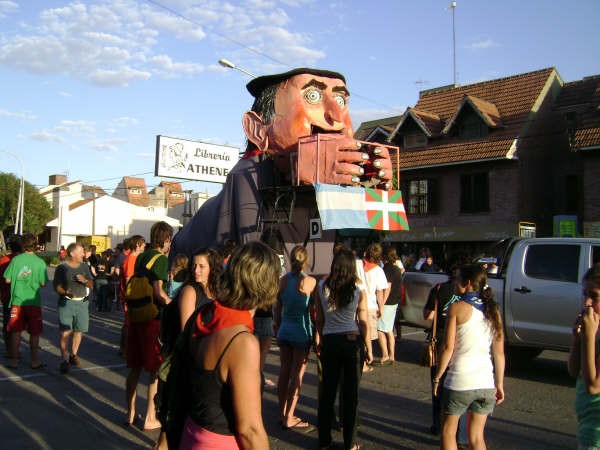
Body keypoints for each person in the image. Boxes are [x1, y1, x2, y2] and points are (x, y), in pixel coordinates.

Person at [170, 68, 392, 275]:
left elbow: (322, 256)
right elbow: (251, 259)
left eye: (341, 100)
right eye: (312, 96)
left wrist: (371, 182)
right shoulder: (247, 173)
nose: (336, 115)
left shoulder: (323, 188)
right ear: (257, 129)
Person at [179, 241, 279, 449]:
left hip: (191, 433)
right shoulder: (242, 342)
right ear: (267, 284)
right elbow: (250, 430)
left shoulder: (204, 315)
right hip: (220, 442)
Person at [433, 264, 505, 450]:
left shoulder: (457, 308)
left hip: (460, 380)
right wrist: (499, 383)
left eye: (458, 279)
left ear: (467, 283)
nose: (455, 283)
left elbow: (448, 347)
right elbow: (499, 352)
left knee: (448, 432)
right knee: (477, 437)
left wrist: (438, 376)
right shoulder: (493, 310)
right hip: (485, 381)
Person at [315, 246, 372, 450]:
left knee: (327, 393)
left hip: (330, 342)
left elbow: (319, 320)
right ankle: (350, 443)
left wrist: (318, 342)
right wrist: (369, 348)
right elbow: (364, 320)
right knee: (350, 396)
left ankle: (324, 441)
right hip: (351, 342)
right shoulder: (358, 288)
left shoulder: (321, 285)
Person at [125, 222, 173, 430]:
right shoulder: (161, 259)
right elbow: (158, 292)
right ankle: (150, 417)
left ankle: (130, 412)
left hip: (135, 315)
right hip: (151, 317)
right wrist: (173, 304)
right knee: (153, 370)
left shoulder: (141, 256)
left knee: (134, 367)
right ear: (167, 239)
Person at [422, 258, 468, 445]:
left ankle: (437, 424)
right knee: (458, 385)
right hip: (461, 339)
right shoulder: (467, 292)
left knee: (437, 383)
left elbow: (428, 315)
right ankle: (458, 428)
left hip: (440, 338)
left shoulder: (439, 289)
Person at [274, 245, 316, 429]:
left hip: (284, 329)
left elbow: (277, 308)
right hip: (301, 331)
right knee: (297, 375)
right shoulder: (310, 282)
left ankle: (282, 412)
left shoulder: (282, 281)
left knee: (284, 372)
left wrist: (278, 325)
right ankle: (290, 416)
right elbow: (315, 310)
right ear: (306, 261)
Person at [3, 233, 47, 369]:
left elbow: (7, 279)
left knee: (16, 331)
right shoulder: (40, 262)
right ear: (35, 245)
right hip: (33, 301)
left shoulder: (16, 260)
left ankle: (14, 361)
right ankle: (34, 361)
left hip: (17, 300)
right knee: (34, 333)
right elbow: (43, 283)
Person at [568, 264, 600, 449]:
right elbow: (573, 371)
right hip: (587, 428)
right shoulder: (594, 327)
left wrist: (588, 338)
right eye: (585, 294)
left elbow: (594, 386)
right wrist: (577, 341)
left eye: (594, 296)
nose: (587, 302)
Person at [53, 242, 94, 374]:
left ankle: (74, 354)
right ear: (72, 254)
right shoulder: (62, 268)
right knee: (65, 332)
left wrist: (85, 281)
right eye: (81, 251)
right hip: (67, 302)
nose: (84, 254)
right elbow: (57, 287)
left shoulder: (84, 266)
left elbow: (92, 284)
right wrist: (65, 292)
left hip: (82, 303)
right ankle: (65, 360)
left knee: (79, 330)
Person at [178, 248, 221, 330]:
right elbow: (186, 331)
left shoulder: (217, 289)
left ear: (212, 268)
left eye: (201, 266)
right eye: (194, 265)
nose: (196, 270)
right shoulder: (189, 291)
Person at [361, 242, 388, 371]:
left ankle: (359, 361)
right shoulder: (378, 270)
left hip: (356, 304)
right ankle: (364, 363)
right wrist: (381, 308)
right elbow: (380, 292)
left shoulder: (359, 265)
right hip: (370, 306)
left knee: (357, 335)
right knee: (367, 336)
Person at [375, 246, 402, 366]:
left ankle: (385, 354)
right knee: (389, 330)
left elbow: (387, 287)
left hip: (388, 302)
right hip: (395, 301)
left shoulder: (387, 269)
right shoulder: (397, 268)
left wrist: (381, 304)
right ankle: (392, 355)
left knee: (380, 329)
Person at [0, 235, 23, 357]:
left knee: (8, 325)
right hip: (24, 297)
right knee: (20, 325)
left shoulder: (4, 260)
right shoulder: (26, 260)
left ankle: (10, 350)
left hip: (7, 297)